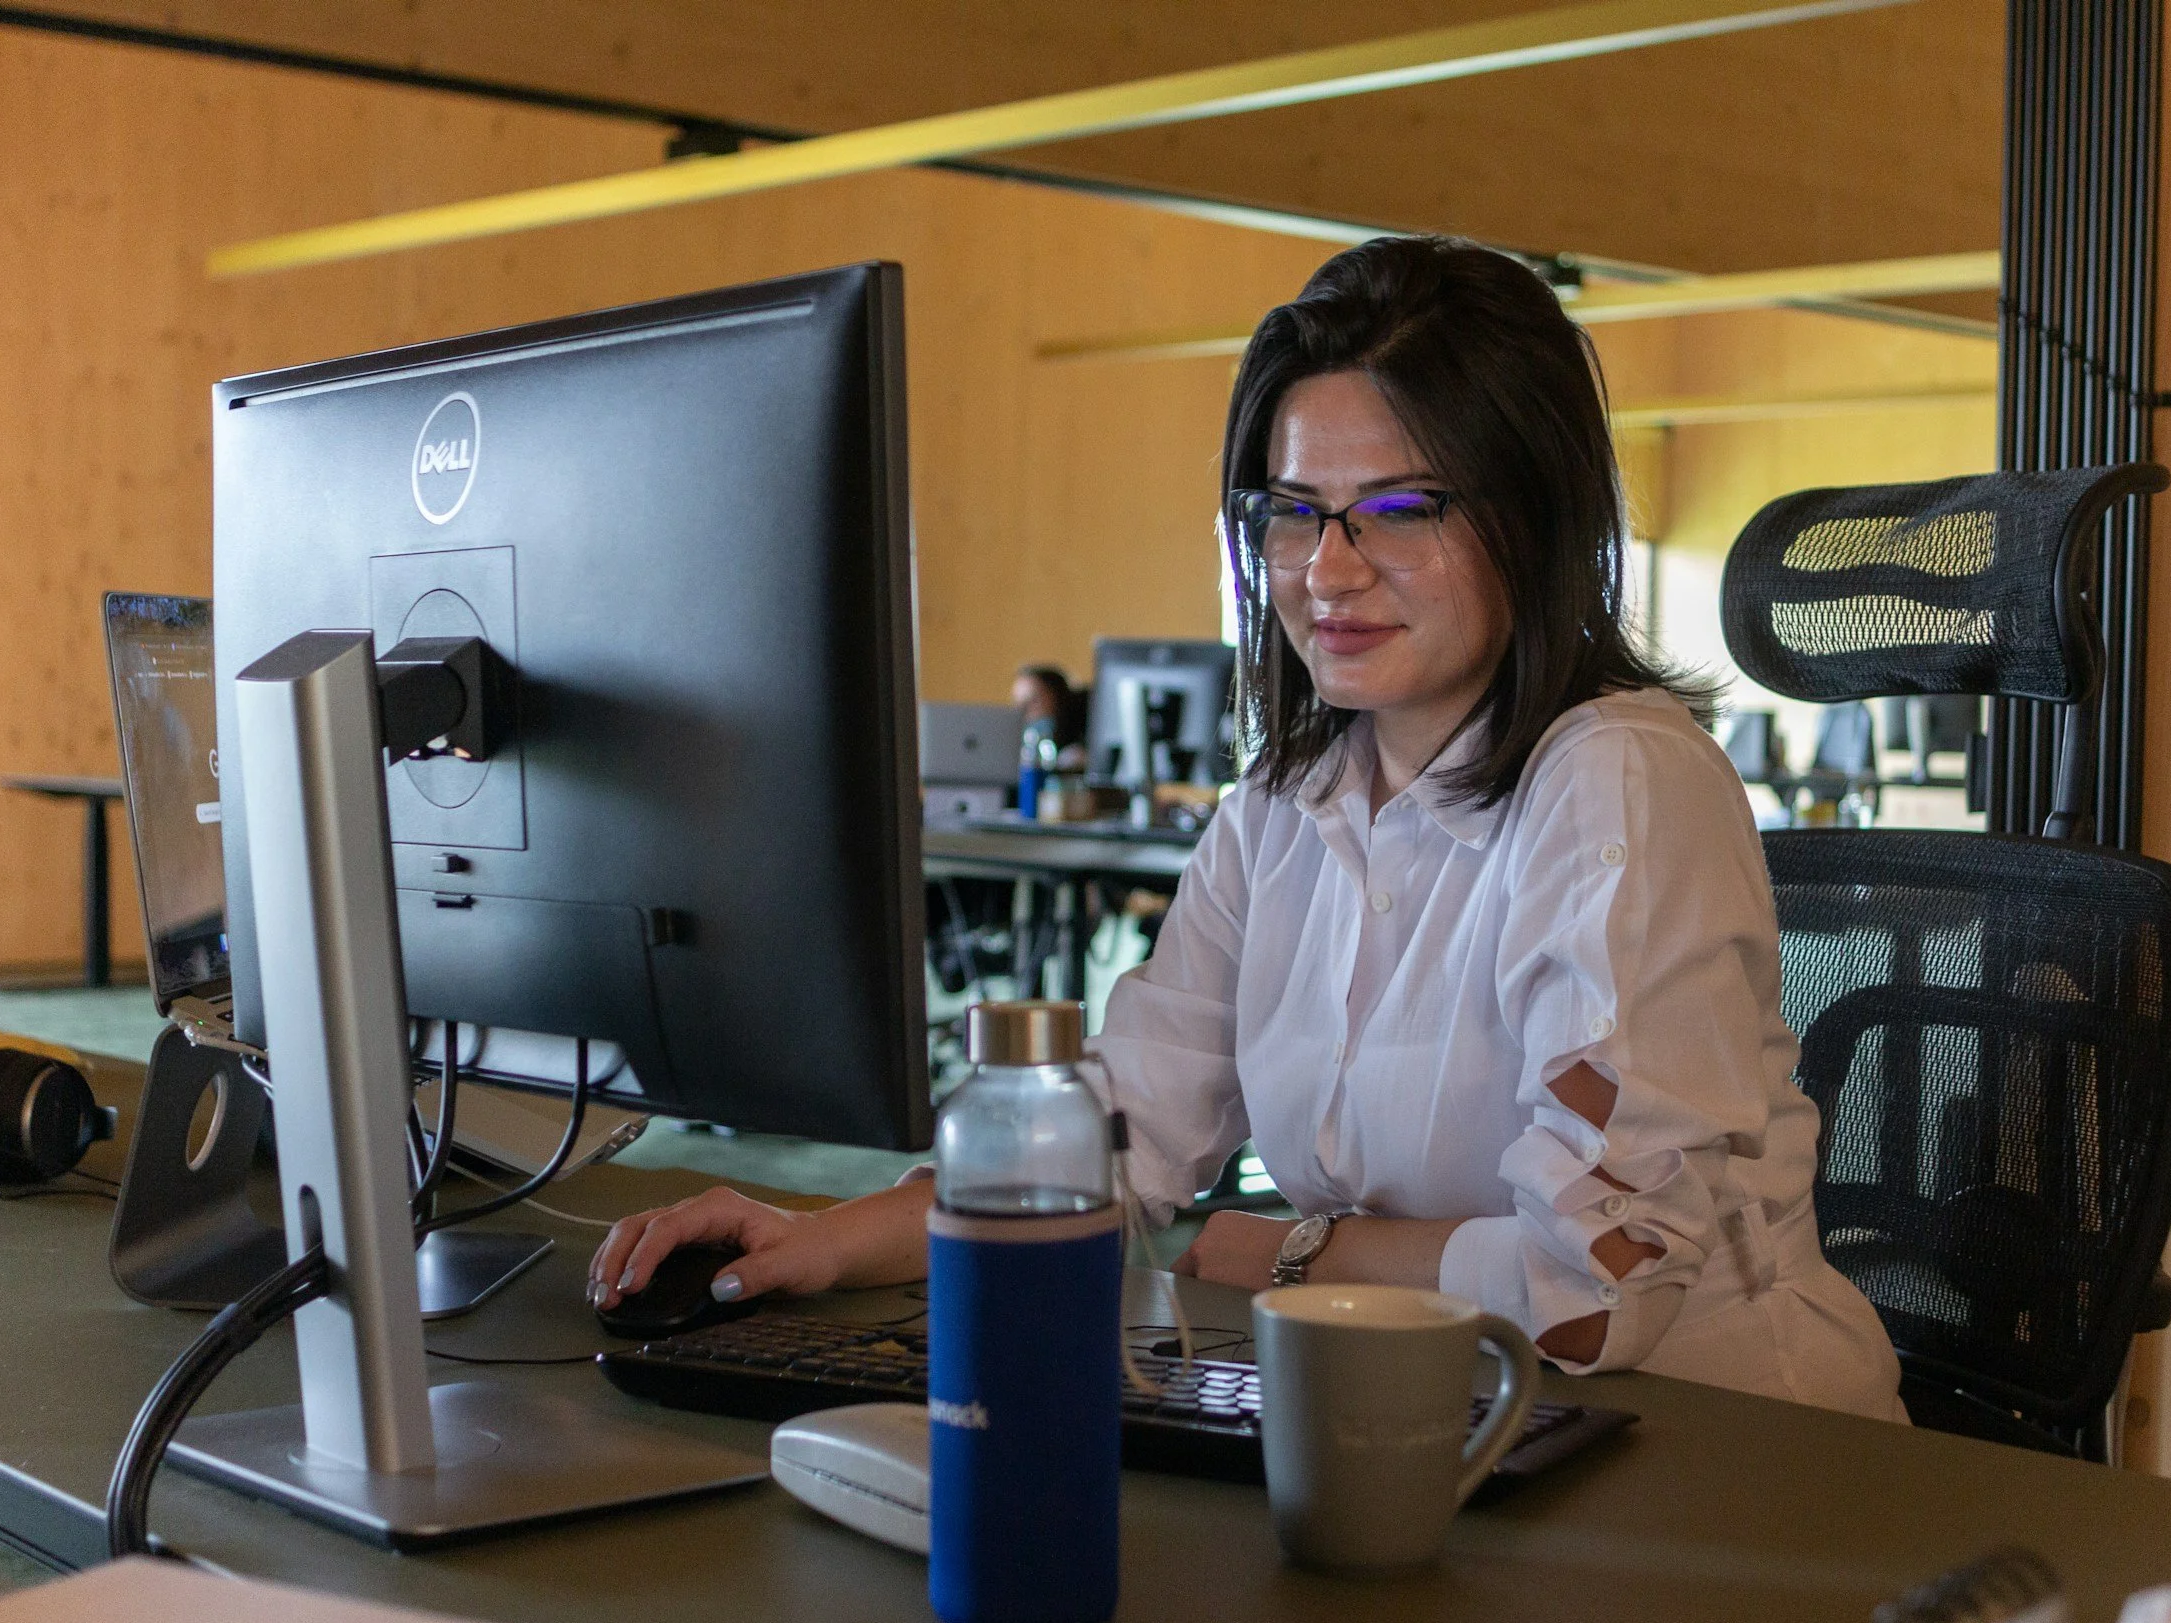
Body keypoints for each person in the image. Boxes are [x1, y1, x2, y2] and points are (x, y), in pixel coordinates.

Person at [590, 236, 1903, 1418]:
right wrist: (818, 1235)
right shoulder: (1285, 810)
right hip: (1426, 1417)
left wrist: (1289, 1250)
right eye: (1288, 512)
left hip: (1716, 1453)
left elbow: (1593, 1291)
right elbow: (1111, 1142)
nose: (1323, 571)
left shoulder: (1617, 783)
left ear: (1533, 512)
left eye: (1398, 509)